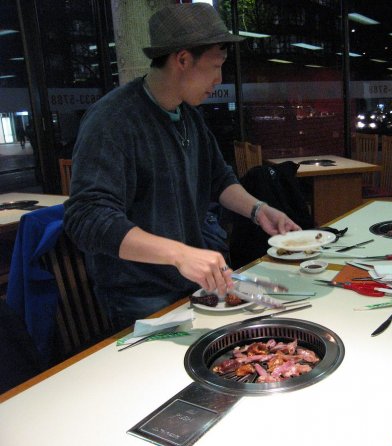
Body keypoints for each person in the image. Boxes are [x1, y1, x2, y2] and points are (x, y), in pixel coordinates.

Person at [64, 3, 300, 331]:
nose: (219, 80)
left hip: (189, 284)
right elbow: (86, 218)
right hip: (139, 292)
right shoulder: (114, 120)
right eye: (215, 66)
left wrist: (259, 210)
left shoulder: (189, 116)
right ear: (183, 59)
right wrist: (179, 254)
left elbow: (219, 179)